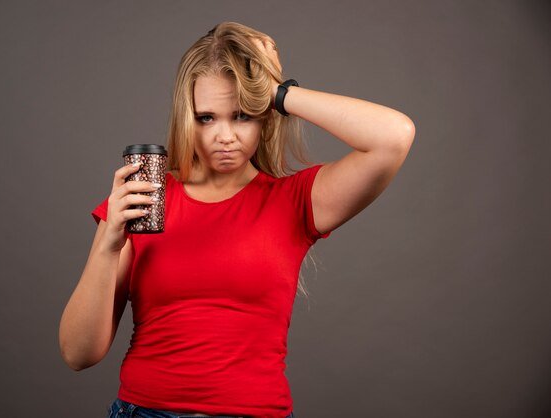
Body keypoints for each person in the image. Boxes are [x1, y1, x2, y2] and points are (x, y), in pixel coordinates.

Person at [59, 22, 415, 418]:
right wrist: (110, 242)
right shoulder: (146, 200)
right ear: (186, 116)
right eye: (207, 118)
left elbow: (393, 137)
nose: (224, 135)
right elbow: (78, 354)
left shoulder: (293, 201)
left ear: (265, 116)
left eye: (243, 114)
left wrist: (279, 91)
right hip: (145, 411)